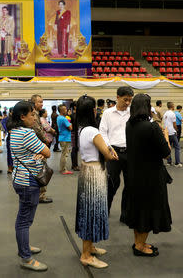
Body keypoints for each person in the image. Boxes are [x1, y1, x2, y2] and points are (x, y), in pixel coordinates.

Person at [125, 93, 172, 257]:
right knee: (149, 210)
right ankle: (139, 246)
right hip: (151, 174)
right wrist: (165, 134)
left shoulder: (129, 125)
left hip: (134, 173)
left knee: (138, 209)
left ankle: (139, 241)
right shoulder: (151, 127)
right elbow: (166, 153)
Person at [74, 95, 118, 269]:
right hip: (94, 174)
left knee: (89, 210)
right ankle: (86, 254)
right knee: (92, 211)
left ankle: (89, 247)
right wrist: (111, 152)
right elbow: (107, 154)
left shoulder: (82, 129)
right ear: (92, 110)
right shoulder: (92, 131)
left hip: (87, 170)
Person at [8, 101, 51, 271]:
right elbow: (47, 151)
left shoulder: (15, 132)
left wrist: (37, 153)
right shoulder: (27, 133)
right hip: (28, 181)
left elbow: (33, 153)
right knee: (24, 220)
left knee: (24, 218)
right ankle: (26, 257)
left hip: (20, 178)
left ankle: (24, 246)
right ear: (22, 116)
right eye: (32, 114)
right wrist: (40, 152)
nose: (35, 117)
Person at [99, 86, 134, 222]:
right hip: (113, 152)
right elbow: (102, 132)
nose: (127, 103)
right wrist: (108, 148)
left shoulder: (132, 112)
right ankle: (104, 211)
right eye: (125, 100)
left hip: (130, 152)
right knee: (111, 183)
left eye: (129, 100)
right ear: (117, 97)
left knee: (130, 185)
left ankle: (125, 215)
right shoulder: (108, 113)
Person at [30, 94, 53, 203]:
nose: (41, 104)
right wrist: (46, 140)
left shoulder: (35, 114)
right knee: (42, 170)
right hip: (38, 146)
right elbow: (38, 130)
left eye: (42, 102)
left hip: (36, 145)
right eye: (39, 102)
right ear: (34, 103)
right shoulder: (34, 115)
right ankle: (41, 196)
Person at [163, 102, 182, 167]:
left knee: (168, 147)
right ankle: (177, 162)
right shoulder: (172, 114)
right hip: (172, 132)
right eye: (173, 105)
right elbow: (174, 124)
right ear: (172, 106)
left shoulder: (165, 113)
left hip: (166, 132)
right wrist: (176, 130)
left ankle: (169, 161)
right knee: (177, 147)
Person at [57, 104, 73, 175]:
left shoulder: (59, 117)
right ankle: (63, 169)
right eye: (65, 109)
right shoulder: (63, 119)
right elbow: (70, 128)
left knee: (63, 154)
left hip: (62, 137)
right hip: (65, 138)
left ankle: (62, 168)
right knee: (65, 154)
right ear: (62, 110)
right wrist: (70, 123)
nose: (66, 110)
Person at [70, 102, 79, 171]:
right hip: (74, 133)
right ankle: (74, 165)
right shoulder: (73, 115)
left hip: (77, 133)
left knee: (75, 149)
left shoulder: (75, 115)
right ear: (75, 107)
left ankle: (75, 164)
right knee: (74, 149)